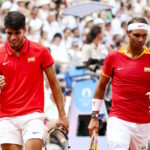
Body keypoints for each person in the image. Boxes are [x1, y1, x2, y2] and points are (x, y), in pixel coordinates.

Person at [0, 11, 68, 150]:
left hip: (33, 115)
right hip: (6, 117)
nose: (12, 37)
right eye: (9, 33)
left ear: (24, 30)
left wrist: (62, 115)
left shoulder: (41, 51)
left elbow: (54, 84)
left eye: (17, 33)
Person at [88, 17, 150, 150]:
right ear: (128, 33)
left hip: (144, 122)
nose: (141, 40)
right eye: (136, 35)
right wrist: (94, 116)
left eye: (144, 36)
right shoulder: (113, 56)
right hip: (118, 119)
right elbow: (101, 86)